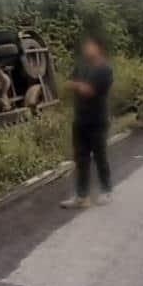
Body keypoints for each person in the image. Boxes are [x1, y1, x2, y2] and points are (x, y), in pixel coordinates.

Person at [61, 36, 114, 209]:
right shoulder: (82, 67)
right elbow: (70, 83)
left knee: (100, 157)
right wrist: (75, 85)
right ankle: (82, 196)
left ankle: (106, 190)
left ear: (99, 48)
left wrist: (75, 85)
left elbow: (88, 90)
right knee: (81, 159)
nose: (86, 49)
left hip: (97, 121)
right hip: (80, 120)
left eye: (90, 46)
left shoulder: (104, 70)